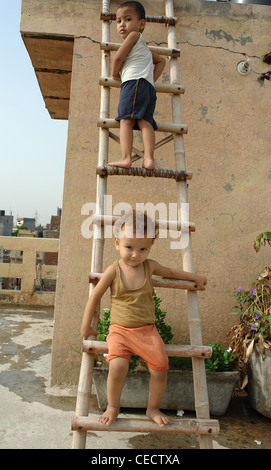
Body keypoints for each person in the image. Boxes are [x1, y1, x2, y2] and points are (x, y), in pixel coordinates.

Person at [80, 211, 207, 428]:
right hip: (119, 330)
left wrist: (194, 277)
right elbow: (94, 298)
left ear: (150, 247)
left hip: (147, 331)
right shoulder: (113, 270)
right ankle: (113, 406)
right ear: (117, 243)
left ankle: (152, 408)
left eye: (143, 249)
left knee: (160, 367)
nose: (135, 255)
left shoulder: (150, 266)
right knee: (118, 366)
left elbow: (171, 272)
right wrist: (86, 326)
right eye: (129, 247)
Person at [108, 1, 166, 170]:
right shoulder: (144, 49)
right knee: (145, 121)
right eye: (118, 21)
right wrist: (150, 80)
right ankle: (148, 158)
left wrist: (114, 75)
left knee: (125, 119)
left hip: (133, 83)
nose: (122, 24)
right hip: (147, 87)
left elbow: (118, 57)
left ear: (141, 24)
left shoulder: (134, 36)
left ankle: (126, 157)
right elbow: (161, 61)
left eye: (127, 19)